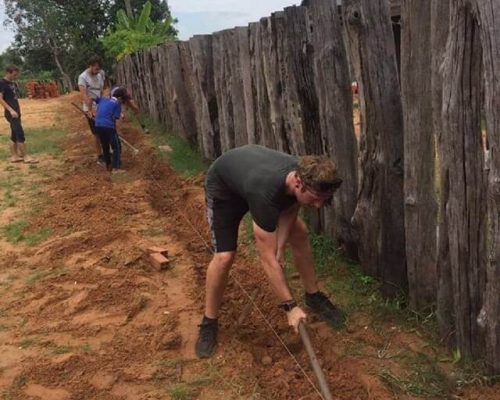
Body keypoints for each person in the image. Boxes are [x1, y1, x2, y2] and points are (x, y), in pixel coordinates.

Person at [195, 144, 345, 358]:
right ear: (297, 183)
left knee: (299, 233)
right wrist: (290, 307)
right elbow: (266, 258)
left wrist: (280, 248)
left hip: (250, 178)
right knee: (224, 256)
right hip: (224, 192)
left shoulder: (303, 172)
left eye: (324, 200)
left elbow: (291, 208)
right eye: (315, 198)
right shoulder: (266, 192)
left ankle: (314, 297)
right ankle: (209, 322)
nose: (319, 206)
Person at [0, 65, 38, 164]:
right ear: (8, 72)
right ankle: (26, 156)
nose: (16, 76)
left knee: (14, 134)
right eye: (14, 74)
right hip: (11, 113)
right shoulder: (2, 83)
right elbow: (0, 98)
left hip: (16, 112)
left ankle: (14, 156)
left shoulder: (12, 83)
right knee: (19, 133)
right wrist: (10, 110)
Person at [94, 88, 130, 173]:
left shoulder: (103, 99)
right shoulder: (117, 103)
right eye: (123, 99)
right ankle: (115, 168)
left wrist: (90, 110)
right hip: (108, 126)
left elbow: (94, 99)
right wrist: (114, 130)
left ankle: (108, 166)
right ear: (120, 98)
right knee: (116, 147)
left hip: (98, 125)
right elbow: (114, 118)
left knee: (105, 146)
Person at [78, 56, 106, 165]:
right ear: (90, 66)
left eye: (99, 69)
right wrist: (90, 110)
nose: (97, 71)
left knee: (105, 130)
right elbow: (84, 95)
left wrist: (104, 105)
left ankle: (108, 152)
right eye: (96, 69)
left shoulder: (100, 74)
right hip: (90, 109)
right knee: (97, 133)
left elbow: (102, 91)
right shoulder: (83, 77)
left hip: (100, 107)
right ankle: (100, 156)